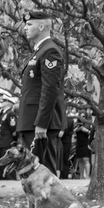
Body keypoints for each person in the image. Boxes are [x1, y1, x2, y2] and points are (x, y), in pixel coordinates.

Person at [18, 10, 67, 175]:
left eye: (29, 24)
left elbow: (50, 90)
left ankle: (53, 202)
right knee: (33, 176)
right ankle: (36, 203)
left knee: (44, 175)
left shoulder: (49, 51)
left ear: (41, 26)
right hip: (32, 121)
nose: (25, 28)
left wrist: (42, 123)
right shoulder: (39, 50)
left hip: (40, 124)